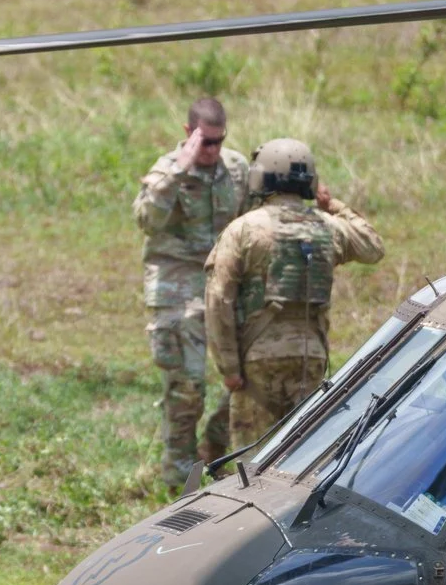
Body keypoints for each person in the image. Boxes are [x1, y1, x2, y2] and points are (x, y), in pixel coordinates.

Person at [203, 138, 384, 450]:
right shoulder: (327, 227)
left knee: (253, 462)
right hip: (309, 358)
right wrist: (333, 205)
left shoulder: (243, 230)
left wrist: (229, 368)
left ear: (261, 177)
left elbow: (219, 300)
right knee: (301, 458)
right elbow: (373, 248)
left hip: (256, 361)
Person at [133, 97, 246, 492]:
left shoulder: (235, 169)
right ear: (189, 133)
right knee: (186, 385)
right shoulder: (168, 170)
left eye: (219, 141)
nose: (212, 151)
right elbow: (147, 220)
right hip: (178, 286)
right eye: (206, 142)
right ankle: (180, 475)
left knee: (248, 373)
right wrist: (180, 170)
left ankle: (215, 447)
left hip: (225, 284)